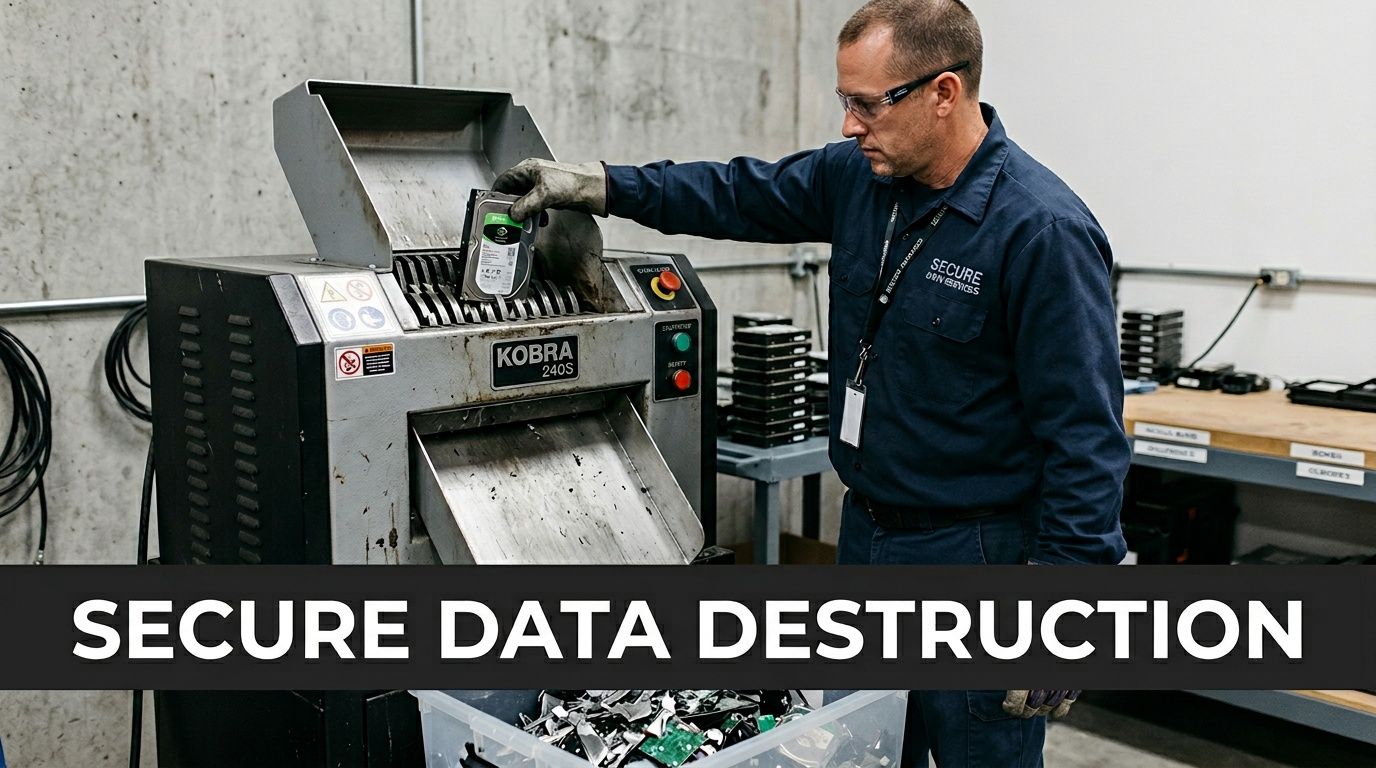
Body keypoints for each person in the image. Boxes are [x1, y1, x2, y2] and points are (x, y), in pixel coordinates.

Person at [495, 0, 1128, 764]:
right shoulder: (861, 179)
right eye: (844, 102)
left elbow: (1087, 441)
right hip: (868, 536)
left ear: (945, 92)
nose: (849, 126)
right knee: (861, 750)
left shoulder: (1041, 231)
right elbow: (737, 191)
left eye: (867, 103)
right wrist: (600, 185)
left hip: (978, 552)